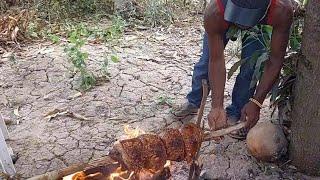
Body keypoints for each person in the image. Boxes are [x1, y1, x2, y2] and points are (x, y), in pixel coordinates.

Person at [172, 0, 294, 139]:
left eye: (248, 16)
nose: (243, 24)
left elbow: (275, 61)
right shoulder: (215, 11)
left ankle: (237, 112)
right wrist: (217, 106)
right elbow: (216, 59)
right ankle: (195, 99)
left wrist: (257, 102)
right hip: (222, 15)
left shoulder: (281, 10)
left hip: (261, 22)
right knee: (206, 62)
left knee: (250, 66)